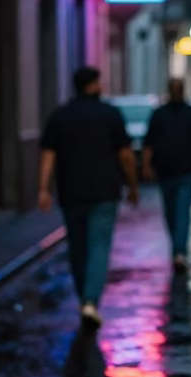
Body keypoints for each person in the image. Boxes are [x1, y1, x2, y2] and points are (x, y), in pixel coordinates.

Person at [39, 66, 138, 328]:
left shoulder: (60, 116)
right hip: (105, 191)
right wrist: (133, 185)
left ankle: (85, 296)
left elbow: (48, 154)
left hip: (72, 191)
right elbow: (125, 155)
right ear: (94, 85)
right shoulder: (110, 114)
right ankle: (90, 301)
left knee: (78, 246)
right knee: (99, 245)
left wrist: (43, 189)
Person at [143, 78, 191, 271]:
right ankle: (178, 250)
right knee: (177, 211)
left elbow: (148, 143)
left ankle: (179, 250)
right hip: (176, 169)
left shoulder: (164, 114)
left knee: (177, 210)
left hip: (176, 169)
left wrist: (147, 165)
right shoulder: (189, 114)